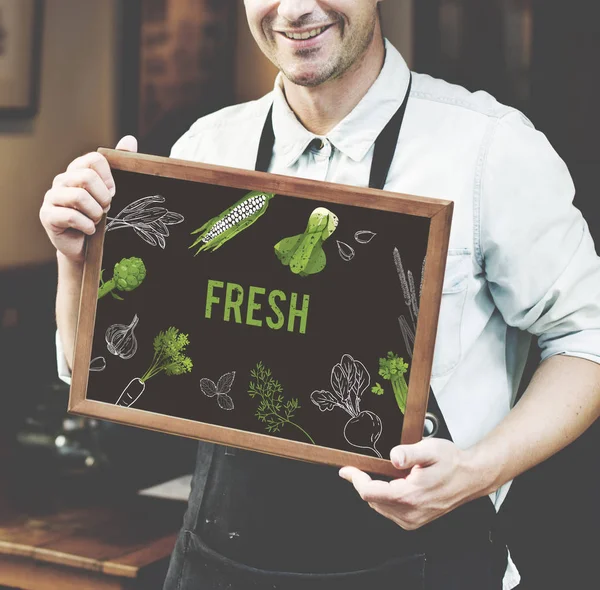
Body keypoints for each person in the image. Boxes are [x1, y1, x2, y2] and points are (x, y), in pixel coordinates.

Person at [40, 1, 600, 589]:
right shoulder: (205, 149)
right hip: (220, 567)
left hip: (427, 568)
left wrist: (479, 471)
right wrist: (73, 258)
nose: (298, 8)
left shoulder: (490, 148)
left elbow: (587, 339)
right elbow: (94, 369)